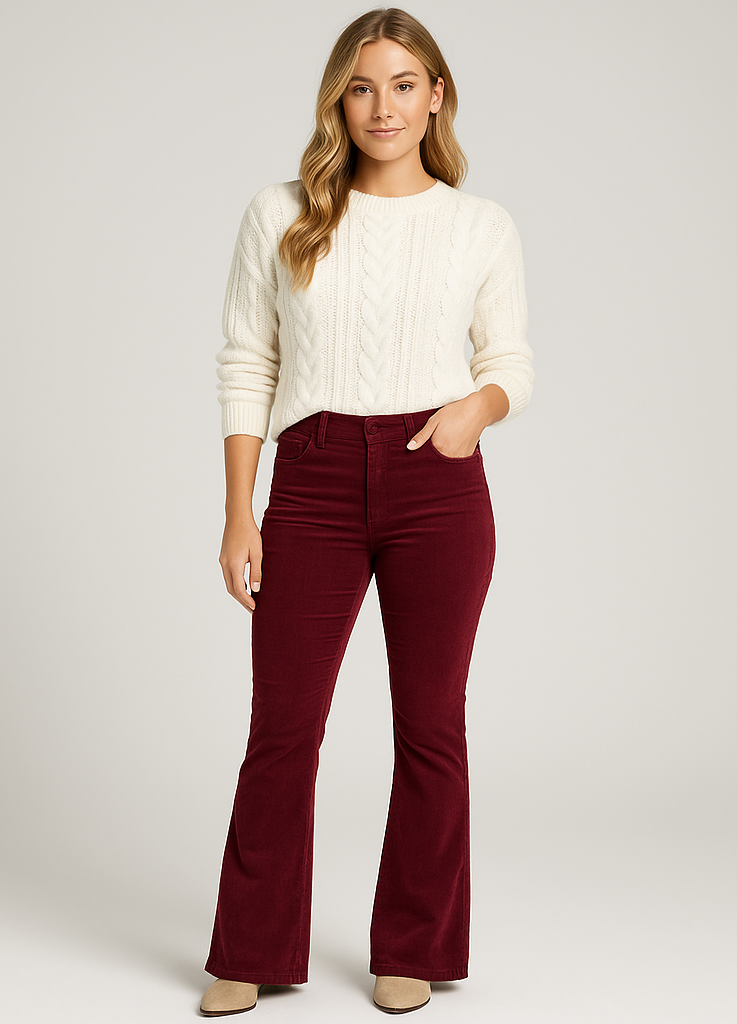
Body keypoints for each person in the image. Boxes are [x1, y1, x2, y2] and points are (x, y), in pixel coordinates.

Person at [200, 7, 534, 1017]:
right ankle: (251, 947)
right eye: (360, 87)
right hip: (309, 480)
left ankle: (415, 945)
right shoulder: (280, 213)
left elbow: (511, 362)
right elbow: (247, 362)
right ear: (336, 103)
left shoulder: (480, 226)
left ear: (436, 96)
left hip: (437, 482)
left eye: (402, 84)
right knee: (284, 725)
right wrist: (240, 511)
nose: (381, 106)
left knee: (431, 724)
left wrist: (473, 411)